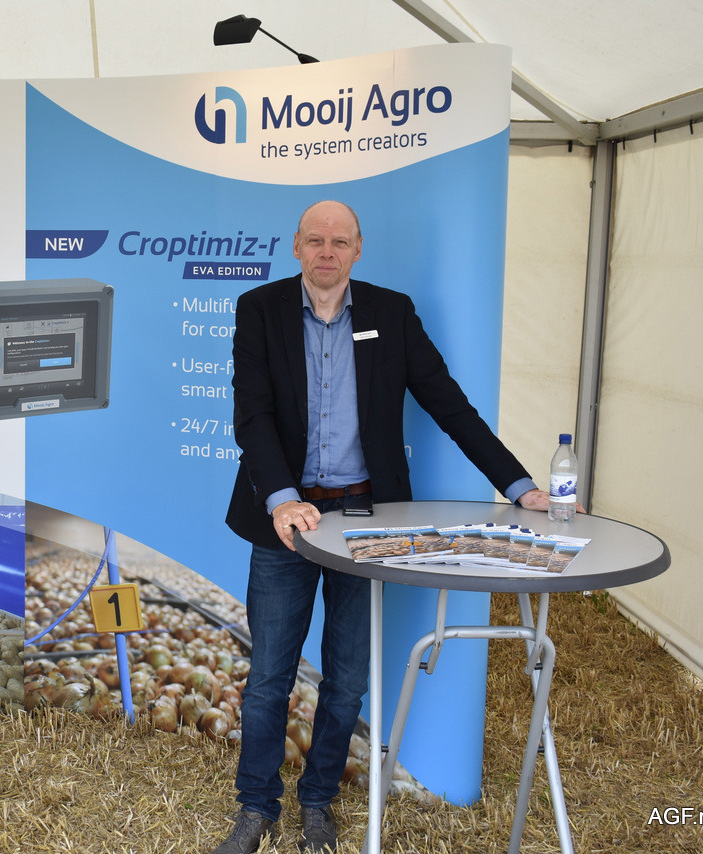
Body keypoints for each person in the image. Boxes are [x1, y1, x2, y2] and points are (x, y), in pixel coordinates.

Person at [214, 200, 553, 854]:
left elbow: (450, 406)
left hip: (368, 521)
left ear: (358, 249)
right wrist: (281, 499)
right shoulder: (259, 309)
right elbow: (251, 416)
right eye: (316, 240)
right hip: (287, 523)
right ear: (296, 246)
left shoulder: (391, 314)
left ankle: (318, 801)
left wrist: (520, 486)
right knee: (268, 679)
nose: (327, 252)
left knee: (347, 679)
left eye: (340, 241)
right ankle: (256, 806)